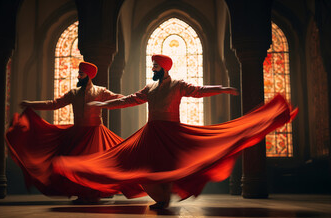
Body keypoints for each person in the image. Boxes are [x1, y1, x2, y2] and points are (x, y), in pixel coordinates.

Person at [54, 54, 297, 209]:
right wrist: (105, 104)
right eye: (152, 65)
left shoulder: (178, 85)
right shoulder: (150, 87)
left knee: (171, 166)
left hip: (171, 131)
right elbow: (130, 100)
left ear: (165, 68)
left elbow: (198, 90)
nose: (153, 68)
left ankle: (165, 196)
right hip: (152, 132)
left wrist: (220, 88)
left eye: (156, 65)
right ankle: (161, 198)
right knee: (137, 164)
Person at [6, 61, 124, 204]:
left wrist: (133, 98)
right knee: (77, 165)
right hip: (78, 134)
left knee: (95, 165)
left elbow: (119, 98)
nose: (78, 77)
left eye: (81, 74)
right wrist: (32, 104)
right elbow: (54, 104)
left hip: (96, 134)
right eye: (79, 74)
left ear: (88, 75)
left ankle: (93, 194)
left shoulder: (100, 91)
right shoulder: (73, 93)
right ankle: (82, 194)